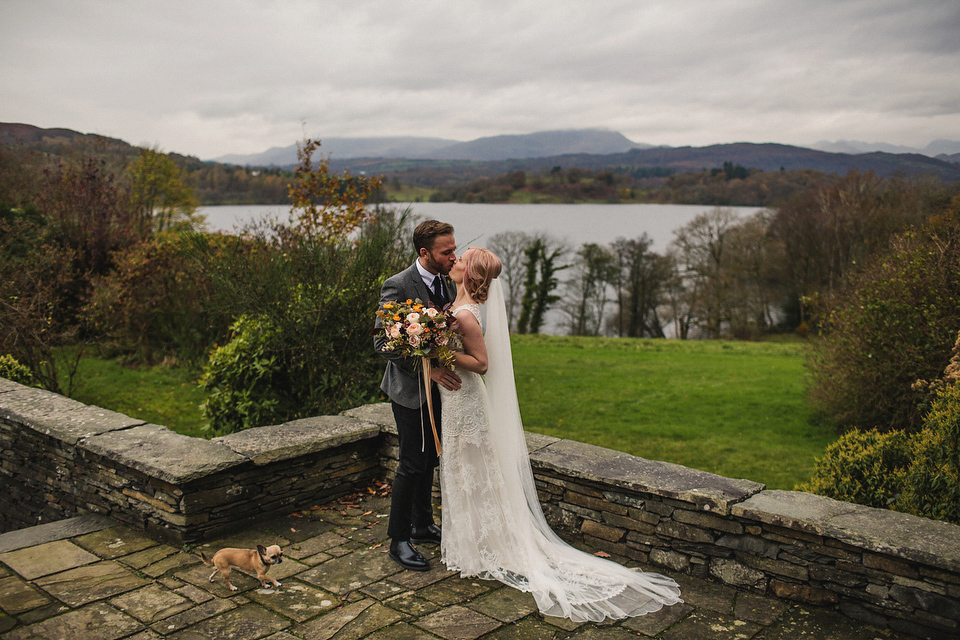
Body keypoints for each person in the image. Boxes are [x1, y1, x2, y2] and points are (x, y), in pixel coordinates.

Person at [438, 246, 682, 622]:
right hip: (454, 400)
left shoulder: (465, 317)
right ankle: (472, 545)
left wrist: (441, 352)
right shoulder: (454, 308)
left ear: (471, 273)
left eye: (461, 258)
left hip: (466, 401)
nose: (454, 260)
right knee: (463, 469)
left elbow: (482, 364)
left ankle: (484, 547)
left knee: (474, 469)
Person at [374, 219, 462, 572]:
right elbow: (383, 343)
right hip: (410, 392)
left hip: (443, 392)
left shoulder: (447, 282)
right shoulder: (397, 285)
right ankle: (398, 540)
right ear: (425, 253)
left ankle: (423, 525)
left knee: (431, 460)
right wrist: (429, 370)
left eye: (454, 248)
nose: (454, 256)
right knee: (411, 464)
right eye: (447, 251)